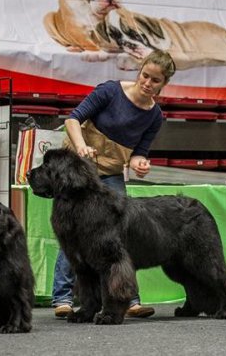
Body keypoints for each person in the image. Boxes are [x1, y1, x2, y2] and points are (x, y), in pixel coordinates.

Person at [52, 50, 176, 319]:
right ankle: (62, 297)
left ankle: (129, 299)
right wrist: (81, 146)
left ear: (163, 84)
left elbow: (139, 152)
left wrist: (140, 163)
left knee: (123, 235)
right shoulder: (110, 91)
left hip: (109, 174)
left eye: (155, 80)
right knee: (74, 235)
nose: (147, 83)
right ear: (139, 70)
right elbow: (73, 119)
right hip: (77, 173)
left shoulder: (155, 116)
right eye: (145, 75)